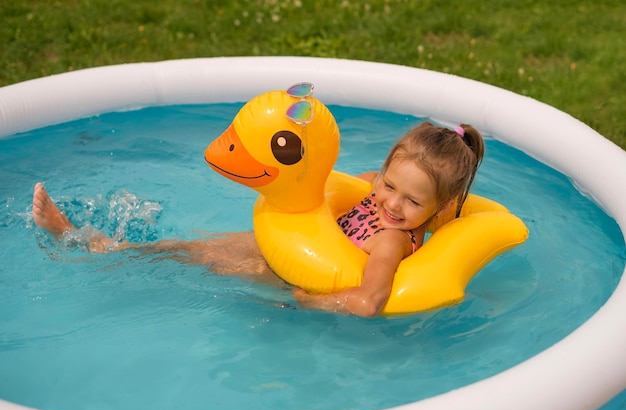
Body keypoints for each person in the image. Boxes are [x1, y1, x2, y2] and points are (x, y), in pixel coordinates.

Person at [32, 121, 484, 317]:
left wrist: (312, 302)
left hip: (278, 274)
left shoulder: (391, 242)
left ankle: (85, 245)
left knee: (181, 257)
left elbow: (369, 302)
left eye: (412, 202)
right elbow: (333, 186)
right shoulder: (372, 187)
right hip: (272, 247)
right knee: (185, 248)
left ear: (441, 208)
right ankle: (94, 244)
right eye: (389, 185)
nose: (391, 205)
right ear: (383, 172)